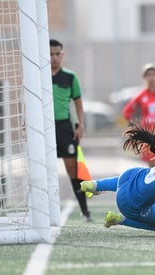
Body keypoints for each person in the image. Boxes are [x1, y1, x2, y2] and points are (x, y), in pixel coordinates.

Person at [50, 39, 93, 222]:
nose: (53, 58)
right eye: (50, 54)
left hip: (64, 127)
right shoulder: (38, 74)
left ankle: (85, 211)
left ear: (62, 54)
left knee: (73, 171)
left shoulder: (70, 77)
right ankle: (43, 211)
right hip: (43, 129)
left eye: (57, 54)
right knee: (43, 170)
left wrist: (81, 125)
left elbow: (78, 103)